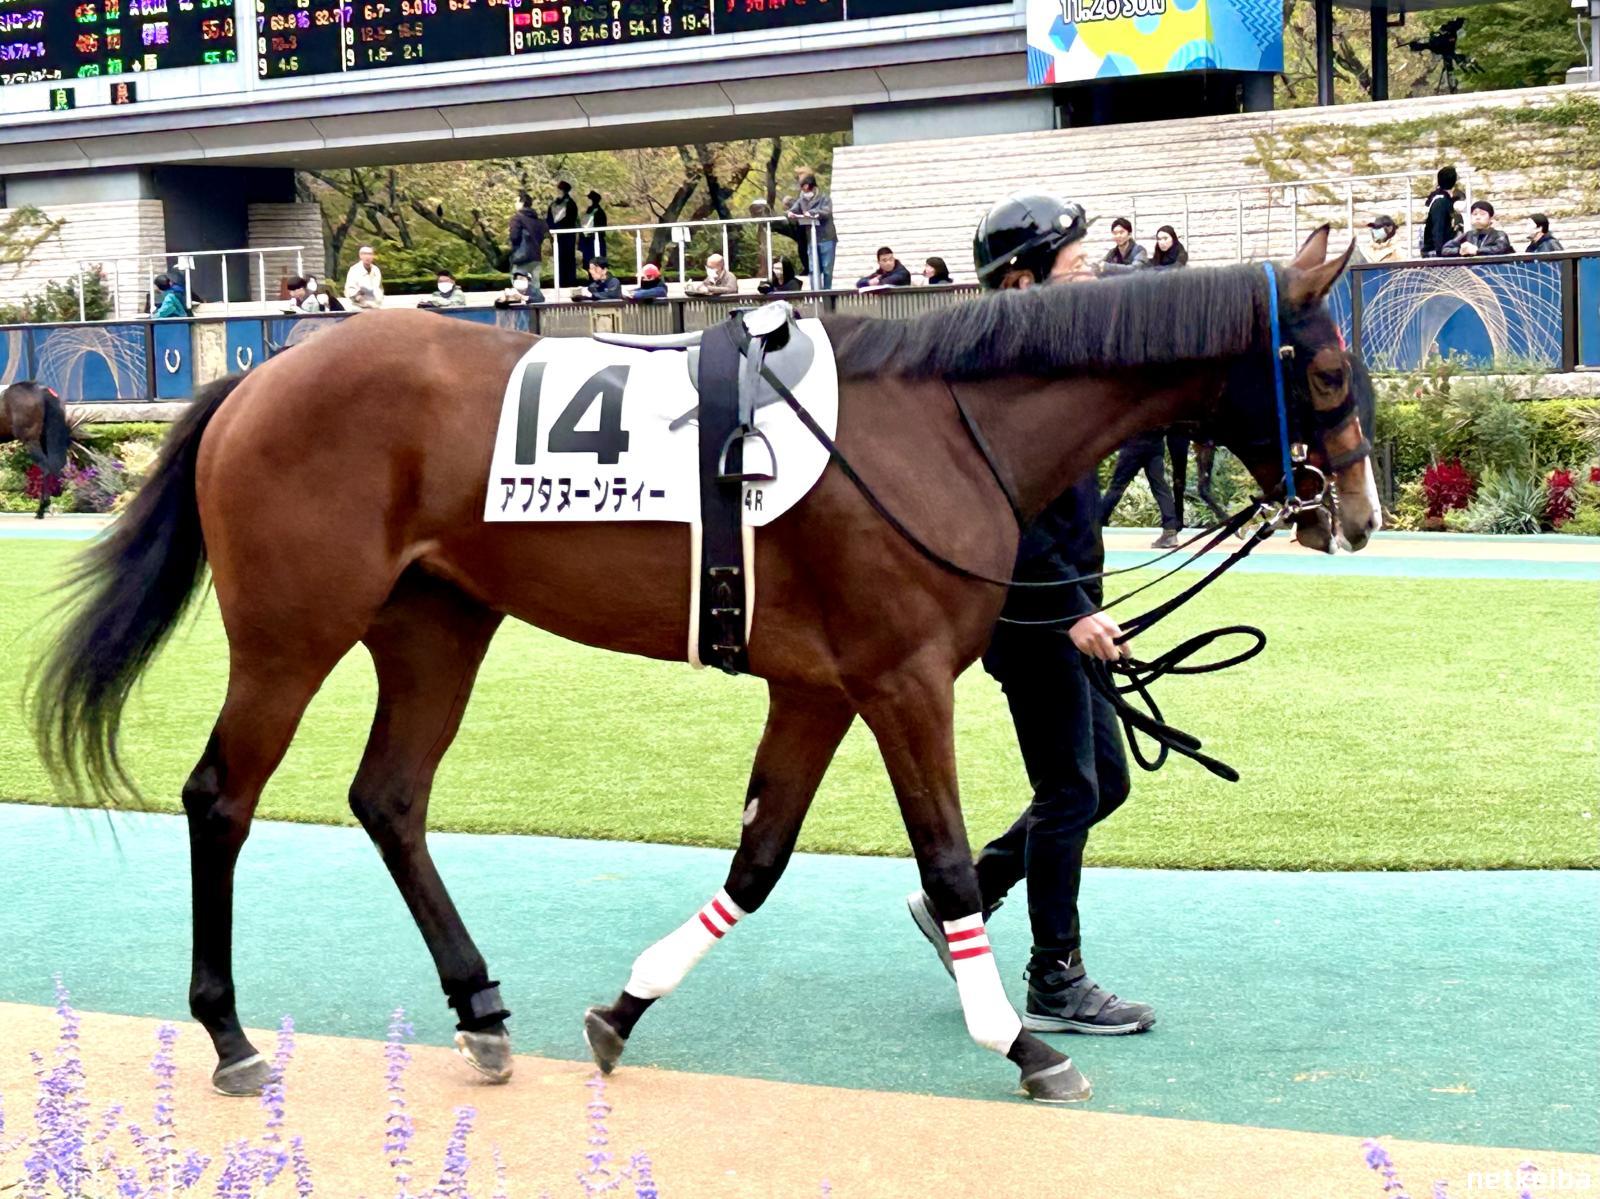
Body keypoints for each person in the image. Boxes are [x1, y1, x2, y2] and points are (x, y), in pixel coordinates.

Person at [907, 190, 1153, 1037]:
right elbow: (1008, 519)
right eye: (1077, 266)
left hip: (1070, 607)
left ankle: (965, 896)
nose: (1093, 277)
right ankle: (1055, 976)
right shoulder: (1002, 385)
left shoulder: (1052, 365)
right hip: (1031, 616)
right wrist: (1071, 610)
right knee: (1070, 788)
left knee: (1104, 782)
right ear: (1022, 283)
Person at [786, 174, 837, 289]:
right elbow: (794, 209)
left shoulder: (824, 198)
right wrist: (791, 213)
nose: (805, 192)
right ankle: (815, 292)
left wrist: (812, 213)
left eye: (806, 189)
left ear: (812, 187)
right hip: (812, 238)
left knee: (827, 268)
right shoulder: (802, 199)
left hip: (826, 237)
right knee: (813, 268)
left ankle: (827, 292)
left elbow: (826, 211)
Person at [1442, 200, 1513, 257]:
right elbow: (1445, 249)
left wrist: (1477, 250)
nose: (1478, 217)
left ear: (1491, 218)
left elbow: (1501, 248)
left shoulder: (1499, 234)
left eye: (1482, 214)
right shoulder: (1468, 235)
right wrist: (1460, 251)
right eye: (1475, 214)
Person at [1421, 166, 1462, 257]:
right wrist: (1439, 252)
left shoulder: (1437, 199)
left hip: (1441, 248)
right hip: (1436, 250)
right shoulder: (1441, 202)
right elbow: (1438, 227)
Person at [547, 180, 580, 289]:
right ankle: (561, 281)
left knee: (568, 259)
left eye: (559, 190)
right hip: (557, 237)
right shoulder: (554, 204)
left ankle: (569, 282)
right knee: (560, 259)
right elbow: (549, 220)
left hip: (567, 236)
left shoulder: (569, 204)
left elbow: (570, 220)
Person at [509, 192, 548, 281]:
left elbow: (514, 237)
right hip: (536, 257)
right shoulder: (537, 220)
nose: (515, 204)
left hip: (521, 257)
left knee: (520, 285)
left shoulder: (517, 219)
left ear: (522, 203)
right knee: (534, 285)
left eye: (516, 201)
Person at [581, 191, 608, 267]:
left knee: (596, 260)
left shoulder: (596, 211)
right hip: (591, 238)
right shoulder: (595, 211)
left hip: (594, 238)